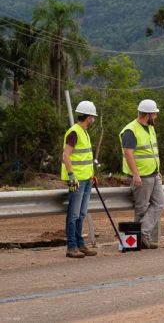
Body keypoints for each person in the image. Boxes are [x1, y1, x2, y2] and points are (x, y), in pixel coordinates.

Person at [120, 99, 164, 249]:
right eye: (155, 114)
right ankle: (138, 239)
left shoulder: (150, 128)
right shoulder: (130, 130)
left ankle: (140, 234)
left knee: (160, 202)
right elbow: (128, 153)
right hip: (141, 176)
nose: (156, 117)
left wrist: (157, 170)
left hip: (153, 174)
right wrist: (135, 174)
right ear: (148, 115)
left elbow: (151, 152)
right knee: (141, 208)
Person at [61, 101, 99, 258]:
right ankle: (71, 247)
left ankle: (80, 244)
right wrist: (71, 176)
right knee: (74, 214)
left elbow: (84, 158)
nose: (94, 120)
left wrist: (91, 175)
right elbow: (66, 155)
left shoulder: (84, 132)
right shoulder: (74, 132)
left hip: (86, 179)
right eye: (93, 117)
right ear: (88, 117)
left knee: (82, 213)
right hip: (76, 181)